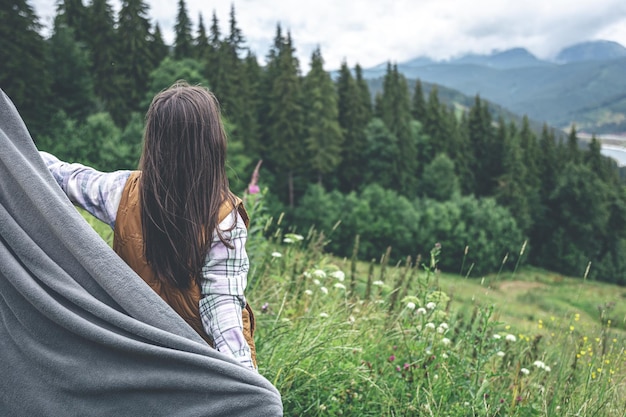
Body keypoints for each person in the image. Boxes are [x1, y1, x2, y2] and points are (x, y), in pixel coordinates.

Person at [39, 81, 256, 370]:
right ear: (212, 143)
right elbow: (223, 308)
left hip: (135, 347)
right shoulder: (225, 218)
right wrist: (245, 378)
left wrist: (13, 146)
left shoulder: (122, 191)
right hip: (194, 359)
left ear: (154, 141)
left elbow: (64, 176)